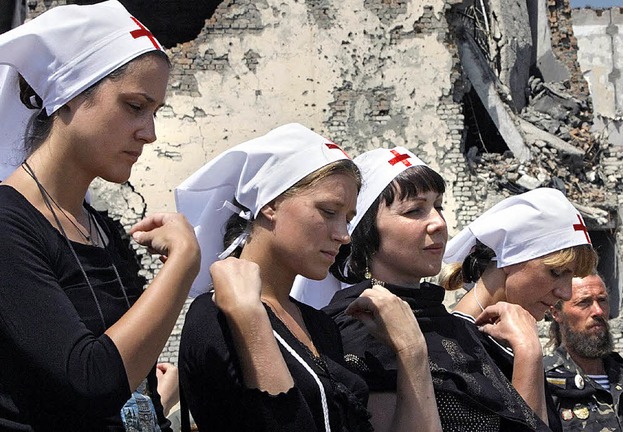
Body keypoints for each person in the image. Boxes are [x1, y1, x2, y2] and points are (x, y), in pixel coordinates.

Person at [0, 2, 201, 430]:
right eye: (134, 106)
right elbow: (90, 381)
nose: (149, 133)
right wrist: (183, 265)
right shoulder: (6, 224)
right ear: (71, 96)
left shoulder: (104, 231)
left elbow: (127, 388)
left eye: (155, 112)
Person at [176, 124, 441, 432]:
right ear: (271, 204)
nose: (343, 235)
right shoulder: (215, 316)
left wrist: (412, 351)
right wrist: (249, 320)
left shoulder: (321, 327)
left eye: (348, 219)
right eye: (329, 211)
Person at [306, 146, 552, 431]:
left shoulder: (457, 329)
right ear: (367, 229)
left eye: (438, 206)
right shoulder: (359, 330)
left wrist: (528, 352)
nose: (438, 223)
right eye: (414, 210)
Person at [441, 188, 598, 430]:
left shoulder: (508, 342)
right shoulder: (449, 350)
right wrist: (528, 351)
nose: (566, 293)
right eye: (555, 272)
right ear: (510, 260)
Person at [544, 274, 623, 431]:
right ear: (556, 313)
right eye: (584, 302)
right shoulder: (544, 384)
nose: (598, 311)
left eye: (602, 300)